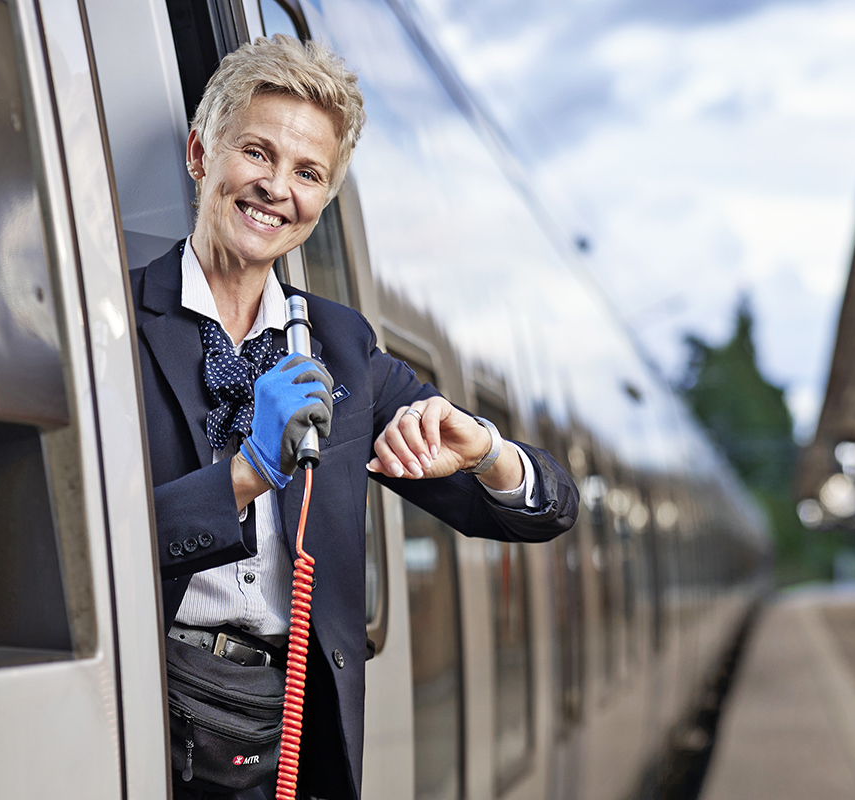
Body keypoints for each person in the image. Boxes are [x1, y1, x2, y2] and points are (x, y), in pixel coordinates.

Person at [130, 34, 578, 800]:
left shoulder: (340, 346)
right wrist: (247, 474)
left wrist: (486, 453)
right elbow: (91, 549)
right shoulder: (112, 318)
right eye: (257, 153)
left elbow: (543, 512)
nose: (277, 187)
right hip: (149, 719)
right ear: (202, 155)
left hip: (290, 737)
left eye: (307, 173)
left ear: (323, 201)